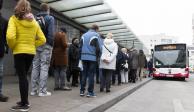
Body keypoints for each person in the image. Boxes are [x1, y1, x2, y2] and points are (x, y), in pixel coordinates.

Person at [6, 0, 46, 111]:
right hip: (30, 53)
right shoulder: (34, 22)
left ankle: (24, 104)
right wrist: (33, 45)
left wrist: (13, 47)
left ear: (18, 7)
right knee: (24, 77)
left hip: (19, 52)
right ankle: (24, 101)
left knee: (22, 77)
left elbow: (10, 37)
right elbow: (43, 39)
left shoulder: (13, 19)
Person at [31, 3, 55, 96]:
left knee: (35, 66)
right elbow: (51, 33)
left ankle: (33, 90)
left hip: (36, 44)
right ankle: (42, 91)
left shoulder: (34, 18)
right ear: (47, 9)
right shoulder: (50, 18)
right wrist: (50, 44)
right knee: (44, 67)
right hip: (46, 45)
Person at [79, 24, 100, 97]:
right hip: (92, 58)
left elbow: (80, 47)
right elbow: (98, 48)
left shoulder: (83, 35)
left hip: (84, 57)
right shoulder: (96, 35)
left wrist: (80, 57)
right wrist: (97, 58)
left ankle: (82, 91)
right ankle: (90, 92)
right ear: (96, 29)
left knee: (84, 74)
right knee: (91, 75)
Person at [0, 0, 9, 102]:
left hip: (0, 51)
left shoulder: (4, 21)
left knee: (0, 73)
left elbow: (6, 37)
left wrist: (6, 47)